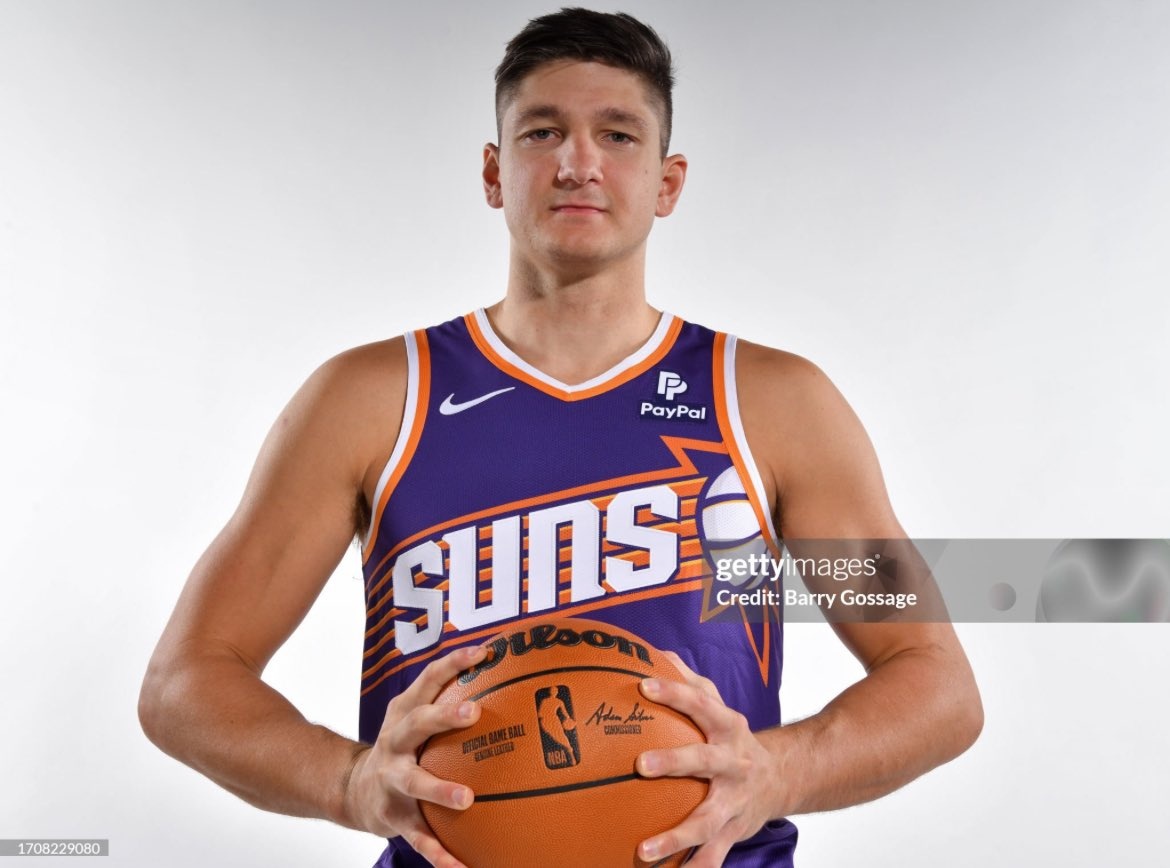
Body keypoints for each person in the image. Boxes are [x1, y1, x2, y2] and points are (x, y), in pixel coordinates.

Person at [139, 8, 983, 868]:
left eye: (618, 135)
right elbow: (186, 680)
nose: (580, 163)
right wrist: (348, 781)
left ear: (667, 182)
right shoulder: (372, 399)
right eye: (543, 132)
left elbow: (936, 681)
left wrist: (779, 770)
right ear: (494, 171)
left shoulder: (770, 402)